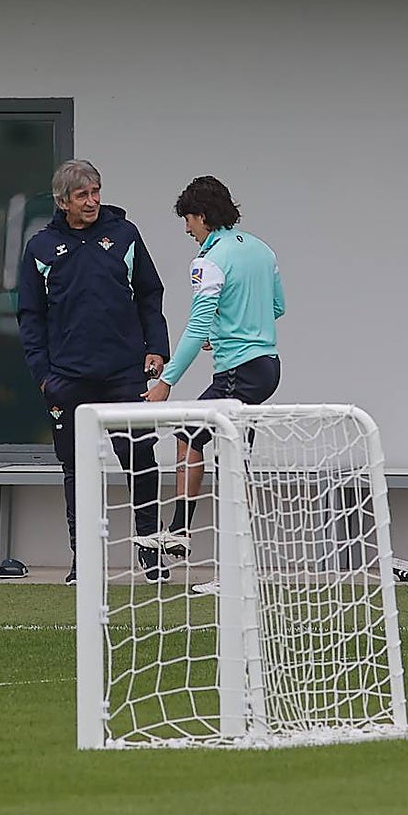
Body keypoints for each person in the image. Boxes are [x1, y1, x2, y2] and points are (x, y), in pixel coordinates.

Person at [17, 159, 171, 586]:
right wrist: (43, 375)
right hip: (68, 379)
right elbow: (29, 316)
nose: (92, 201)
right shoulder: (41, 247)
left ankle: (150, 552)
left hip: (124, 373)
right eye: (83, 195)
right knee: (76, 469)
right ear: (63, 201)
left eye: (96, 192)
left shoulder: (125, 235)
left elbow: (149, 293)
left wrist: (156, 348)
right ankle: (82, 559)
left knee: (141, 462)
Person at [141, 176, 284, 560]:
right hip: (267, 366)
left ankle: (181, 531)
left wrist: (167, 381)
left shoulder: (209, 260)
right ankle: (239, 561)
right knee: (236, 455)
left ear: (201, 216)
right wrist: (226, 330)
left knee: (189, 436)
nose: (187, 229)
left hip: (238, 371)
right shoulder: (261, 250)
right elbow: (276, 308)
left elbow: (195, 326)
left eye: (188, 220)